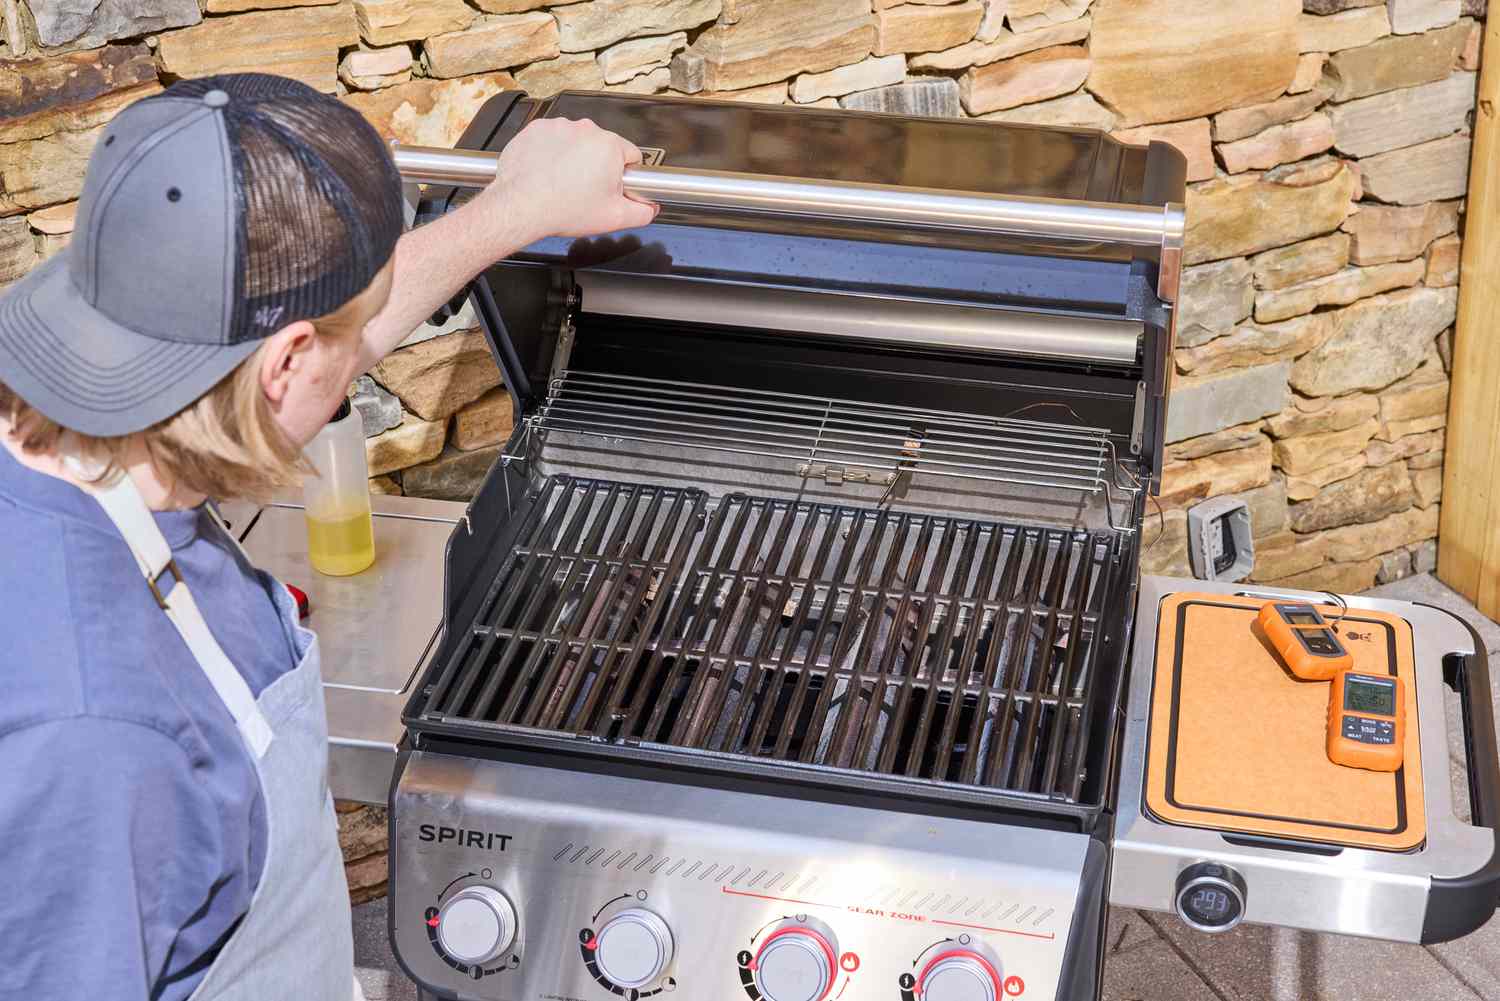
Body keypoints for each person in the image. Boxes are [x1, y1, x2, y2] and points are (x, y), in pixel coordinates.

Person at [0, 73, 655, 1001]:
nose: (361, 360)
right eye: (346, 353)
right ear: (288, 363)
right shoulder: (103, 738)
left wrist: (516, 208)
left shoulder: (88, 370)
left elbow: (319, 332)